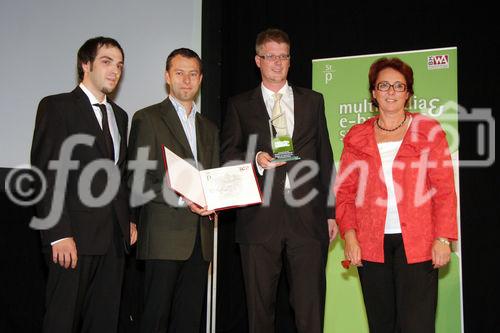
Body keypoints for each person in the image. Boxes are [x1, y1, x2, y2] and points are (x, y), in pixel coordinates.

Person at [221, 28, 337, 333]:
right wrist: (254, 161)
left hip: (308, 218)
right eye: (270, 56)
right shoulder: (239, 105)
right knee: (259, 312)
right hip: (259, 219)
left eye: (283, 56)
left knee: (311, 309)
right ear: (257, 60)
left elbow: (325, 158)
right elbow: (228, 157)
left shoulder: (313, 101)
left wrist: (330, 212)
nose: (277, 62)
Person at [335, 57, 458, 333]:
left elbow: (445, 189)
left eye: (398, 86)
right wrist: (351, 237)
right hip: (371, 245)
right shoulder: (356, 137)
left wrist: (442, 238)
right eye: (384, 85)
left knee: (417, 325)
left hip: (419, 244)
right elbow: (344, 192)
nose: (391, 91)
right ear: (373, 93)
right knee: (381, 325)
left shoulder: (429, 131)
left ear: (408, 93)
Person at [30, 36, 137, 332]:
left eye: (119, 65)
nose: (115, 71)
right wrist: (58, 234)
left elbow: (119, 175)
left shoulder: (120, 116)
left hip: (113, 242)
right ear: (85, 64)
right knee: (61, 322)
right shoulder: (57, 107)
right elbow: (47, 173)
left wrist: (127, 220)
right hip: (72, 238)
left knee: (103, 323)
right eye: (106, 62)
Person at [127, 48, 219, 333]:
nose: (187, 80)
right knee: (154, 320)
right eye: (179, 73)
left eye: (193, 74)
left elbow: (212, 179)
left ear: (201, 79)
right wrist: (183, 198)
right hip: (163, 239)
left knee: (189, 322)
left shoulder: (210, 128)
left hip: (200, 241)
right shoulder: (148, 119)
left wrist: (215, 199)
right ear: (167, 77)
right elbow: (138, 180)